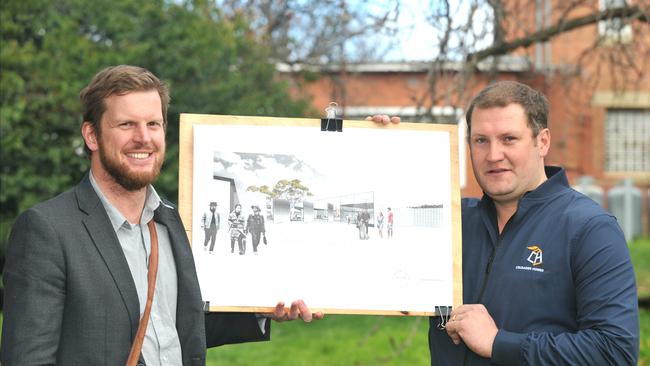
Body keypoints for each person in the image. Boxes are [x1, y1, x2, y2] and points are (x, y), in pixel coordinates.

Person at [1, 65, 322, 366]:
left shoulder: (170, 220)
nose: (144, 137)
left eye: (153, 124)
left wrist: (264, 308)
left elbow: (179, 326)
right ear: (92, 136)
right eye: (126, 124)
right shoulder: (47, 230)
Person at [369, 81, 639, 364]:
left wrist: (498, 343)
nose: (493, 155)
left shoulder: (589, 229)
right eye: (481, 140)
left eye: (508, 139)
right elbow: (370, 252)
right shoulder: (451, 223)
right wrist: (374, 147)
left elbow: (615, 352)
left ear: (542, 141)